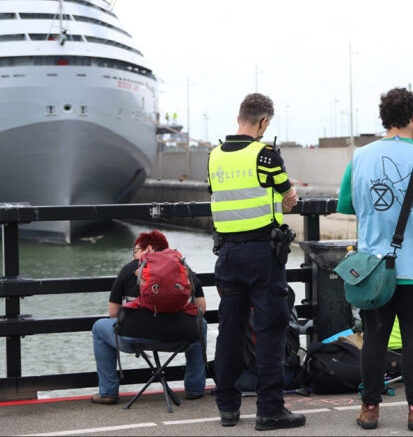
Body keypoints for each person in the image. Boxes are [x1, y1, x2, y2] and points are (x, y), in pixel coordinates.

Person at [337, 87, 413, 431]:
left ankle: (369, 409)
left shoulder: (359, 157)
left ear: (384, 119)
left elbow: (346, 205)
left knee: (374, 338)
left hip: (373, 269)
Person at [208, 93, 304, 431]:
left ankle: (228, 408)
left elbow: (219, 196)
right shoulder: (266, 155)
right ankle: (270, 411)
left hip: (228, 256)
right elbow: (288, 197)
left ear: (240, 117)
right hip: (264, 255)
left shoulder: (214, 156)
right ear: (263, 122)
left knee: (230, 333)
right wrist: (287, 199)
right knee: (269, 333)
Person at [90, 230, 207, 404]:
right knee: (201, 324)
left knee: (99, 327)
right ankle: (195, 388)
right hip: (179, 340)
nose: (135, 254)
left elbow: (113, 313)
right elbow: (202, 309)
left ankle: (108, 392)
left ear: (148, 248)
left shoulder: (130, 268)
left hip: (135, 340)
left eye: (136, 250)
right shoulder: (183, 267)